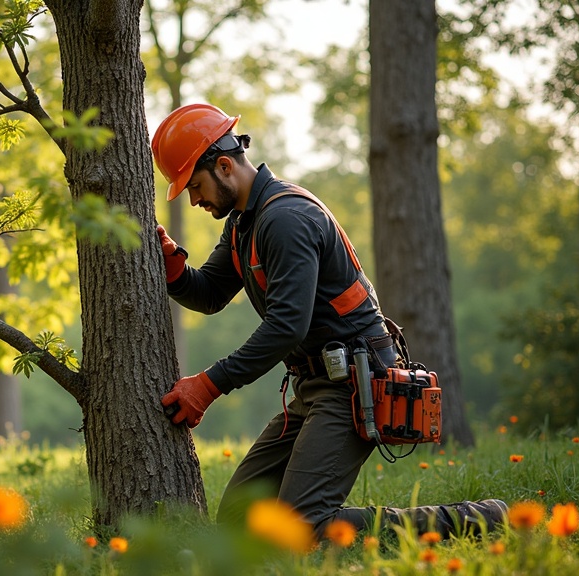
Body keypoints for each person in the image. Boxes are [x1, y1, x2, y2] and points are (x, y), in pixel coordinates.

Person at [151, 103, 507, 539]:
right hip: (313, 387)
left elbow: (287, 326)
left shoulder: (286, 219)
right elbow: (208, 294)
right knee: (240, 521)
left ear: (224, 165)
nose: (194, 199)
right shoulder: (246, 222)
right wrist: (172, 267)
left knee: (302, 528)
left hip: (352, 386)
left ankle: (477, 519)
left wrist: (209, 385)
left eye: (195, 185)